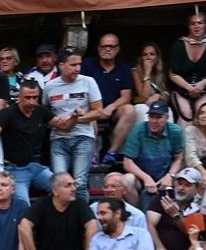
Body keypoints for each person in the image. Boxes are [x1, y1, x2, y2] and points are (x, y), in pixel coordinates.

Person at [0, 79, 59, 203]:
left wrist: (75, 117)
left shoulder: (40, 111)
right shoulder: (8, 113)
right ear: (19, 97)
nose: (32, 101)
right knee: (22, 204)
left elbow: (62, 124)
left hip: (35, 167)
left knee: (62, 188)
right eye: (27, 97)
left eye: (35, 97)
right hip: (14, 170)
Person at [19, 172, 97, 250]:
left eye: (74, 185)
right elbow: (24, 226)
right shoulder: (42, 204)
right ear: (55, 191)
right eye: (68, 185)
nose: (74, 188)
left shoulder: (80, 204)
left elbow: (92, 225)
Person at [44, 47, 103, 204]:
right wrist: (56, 121)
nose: (77, 68)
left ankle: (83, 220)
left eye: (79, 64)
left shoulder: (88, 82)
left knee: (80, 183)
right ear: (61, 65)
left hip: (83, 136)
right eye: (73, 65)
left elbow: (98, 111)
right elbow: (44, 113)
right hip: (58, 138)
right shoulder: (49, 86)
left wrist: (76, 118)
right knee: (59, 183)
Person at [82, 33, 137, 164]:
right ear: (98, 48)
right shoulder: (87, 65)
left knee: (130, 110)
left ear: (118, 49)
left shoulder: (123, 68)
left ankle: (111, 152)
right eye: (104, 46)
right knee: (91, 113)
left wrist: (111, 108)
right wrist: (97, 109)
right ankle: (92, 154)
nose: (107, 49)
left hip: (113, 110)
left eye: (111, 46)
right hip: (92, 108)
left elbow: (126, 96)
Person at [121, 100, 185, 209]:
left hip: (166, 174)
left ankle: (180, 211)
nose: (154, 121)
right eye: (151, 117)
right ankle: (138, 213)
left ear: (166, 118)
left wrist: (170, 175)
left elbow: (178, 158)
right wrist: (146, 178)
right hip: (141, 176)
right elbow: (127, 162)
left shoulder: (175, 131)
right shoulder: (139, 130)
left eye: (158, 117)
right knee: (127, 180)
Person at [169, 12, 206, 127]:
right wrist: (189, 88)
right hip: (182, 88)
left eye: (200, 23)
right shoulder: (179, 45)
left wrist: (202, 83)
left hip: (203, 87)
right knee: (186, 114)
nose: (196, 26)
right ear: (188, 26)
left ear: (205, 25)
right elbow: (172, 74)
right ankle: (183, 145)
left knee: (203, 114)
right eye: (193, 24)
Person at [132, 43, 170, 124]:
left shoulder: (161, 72)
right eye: (145, 55)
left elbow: (167, 95)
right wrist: (147, 73)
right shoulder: (135, 71)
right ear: (141, 58)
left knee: (168, 111)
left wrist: (158, 96)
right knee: (144, 111)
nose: (148, 57)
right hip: (142, 104)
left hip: (157, 103)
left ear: (157, 57)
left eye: (152, 54)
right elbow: (144, 96)